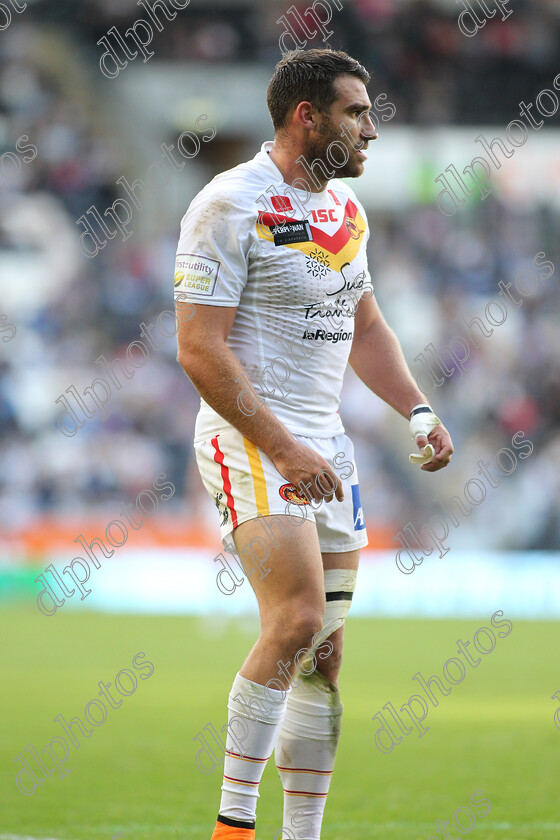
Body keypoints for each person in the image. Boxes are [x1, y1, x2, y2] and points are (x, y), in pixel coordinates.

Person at [175, 48, 453, 840]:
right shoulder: (229, 203)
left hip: (328, 447)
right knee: (295, 620)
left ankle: (305, 836)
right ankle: (233, 827)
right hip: (252, 437)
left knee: (325, 656)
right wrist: (286, 448)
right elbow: (199, 346)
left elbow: (365, 328)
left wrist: (417, 409)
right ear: (308, 117)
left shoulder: (345, 213)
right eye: (357, 113)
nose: (372, 128)